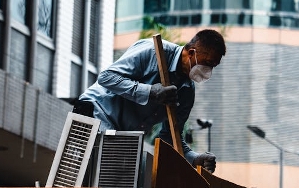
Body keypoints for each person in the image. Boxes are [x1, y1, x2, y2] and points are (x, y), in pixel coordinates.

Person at [74, 29, 225, 173]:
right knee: (108, 172)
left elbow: (171, 138)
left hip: (125, 136)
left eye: (213, 67)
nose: (208, 71)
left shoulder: (186, 92)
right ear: (191, 53)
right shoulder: (153, 51)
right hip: (97, 112)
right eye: (208, 63)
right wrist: (150, 92)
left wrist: (194, 158)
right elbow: (106, 77)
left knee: (126, 183)